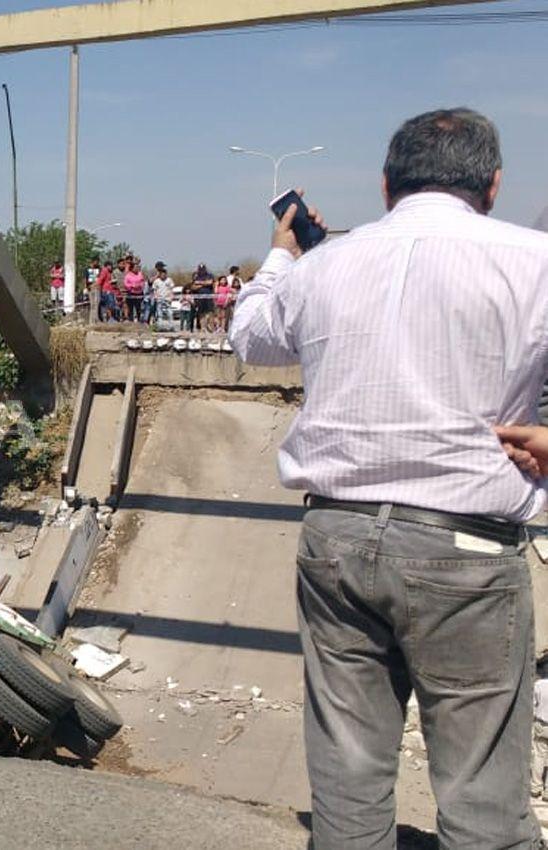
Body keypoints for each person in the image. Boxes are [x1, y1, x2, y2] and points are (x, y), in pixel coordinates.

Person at [229, 107, 548, 849]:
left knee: (347, 786)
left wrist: (283, 255)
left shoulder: (325, 265)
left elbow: (250, 338)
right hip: (465, 554)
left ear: (385, 185)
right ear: (493, 184)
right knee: (482, 802)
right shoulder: (534, 262)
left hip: (335, 540)